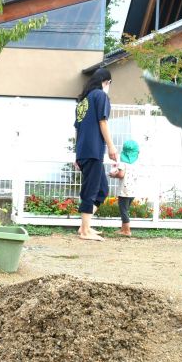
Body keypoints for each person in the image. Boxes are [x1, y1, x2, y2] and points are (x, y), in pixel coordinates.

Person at [74, 67, 118, 241]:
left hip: (84, 150)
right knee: (91, 190)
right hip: (93, 150)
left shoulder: (83, 101)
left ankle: (84, 226)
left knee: (102, 189)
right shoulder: (100, 96)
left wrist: (77, 154)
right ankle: (85, 231)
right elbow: (103, 122)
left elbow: (77, 129)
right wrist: (111, 147)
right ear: (106, 81)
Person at [108, 138, 141, 237]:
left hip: (124, 190)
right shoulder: (136, 163)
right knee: (125, 209)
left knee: (123, 211)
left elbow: (121, 174)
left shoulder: (123, 163)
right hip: (132, 191)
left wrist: (113, 175)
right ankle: (123, 229)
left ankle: (127, 231)